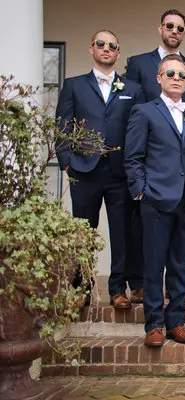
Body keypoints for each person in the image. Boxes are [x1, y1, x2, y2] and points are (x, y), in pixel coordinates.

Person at [124, 54, 185, 348]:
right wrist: (141, 191)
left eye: (182, 75)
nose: (177, 78)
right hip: (156, 200)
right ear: (159, 78)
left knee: (181, 265)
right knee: (154, 264)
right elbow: (133, 157)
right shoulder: (145, 112)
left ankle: (176, 321)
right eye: (170, 73)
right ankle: (154, 324)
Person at [56, 29, 145, 309]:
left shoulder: (133, 89)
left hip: (120, 172)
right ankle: (81, 287)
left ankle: (118, 289)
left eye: (112, 45)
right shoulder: (73, 85)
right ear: (91, 48)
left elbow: (138, 130)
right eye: (101, 44)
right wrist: (66, 161)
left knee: (122, 233)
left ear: (118, 53)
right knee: (84, 232)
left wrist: (136, 167)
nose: (106, 48)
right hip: (83, 169)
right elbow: (63, 125)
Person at [126, 9, 185, 110]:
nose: (175, 31)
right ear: (160, 28)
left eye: (180, 28)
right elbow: (130, 104)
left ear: (184, 33)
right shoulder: (138, 63)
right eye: (170, 26)